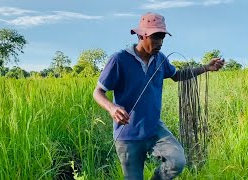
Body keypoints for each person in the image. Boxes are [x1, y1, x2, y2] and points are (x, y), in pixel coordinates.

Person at [93, 12, 224, 180]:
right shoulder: (119, 60)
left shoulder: (160, 59)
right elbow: (98, 92)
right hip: (128, 135)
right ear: (141, 35)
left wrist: (206, 67)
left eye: (162, 37)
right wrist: (112, 107)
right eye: (155, 37)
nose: (160, 43)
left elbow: (178, 75)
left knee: (177, 161)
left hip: (154, 128)